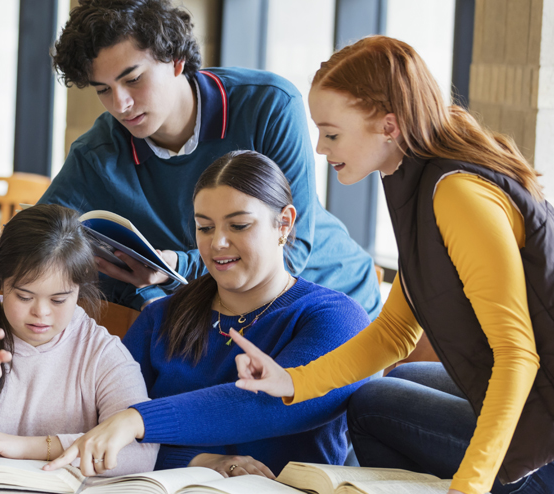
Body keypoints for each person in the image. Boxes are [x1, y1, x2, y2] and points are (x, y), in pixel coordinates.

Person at [225, 36, 554, 494]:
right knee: (402, 376)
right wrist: (290, 381)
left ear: (389, 126)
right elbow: (396, 332)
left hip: (545, 429)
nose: (320, 147)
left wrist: (470, 487)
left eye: (333, 133)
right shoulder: (416, 177)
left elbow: (517, 354)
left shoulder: (456, 194)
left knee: (373, 404)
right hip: (538, 393)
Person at [40, 0, 380, 315]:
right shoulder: (97, 152)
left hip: (330, 297)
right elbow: (35, 238)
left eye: (133, 79)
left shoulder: (269, 105)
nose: (120, 104)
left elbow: (289, 248)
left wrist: (177, 267)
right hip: (224, 314)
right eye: (103, 89)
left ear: (175, 60)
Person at [45, 150, 370, 478]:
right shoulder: (160, 318)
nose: (218, 243)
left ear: (284, 224)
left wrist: (139, 420)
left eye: (239, 225)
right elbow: (104, 429)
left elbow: (270, 403)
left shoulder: (338, 319)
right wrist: (198, 461)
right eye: (205, 227)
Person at [0, 204, 160, 475]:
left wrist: (28, 448)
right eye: (24, 297)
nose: (41, 313)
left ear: (78, 290)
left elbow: (140, 455)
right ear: (1, 284)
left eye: (59, 299)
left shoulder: (100, 351)